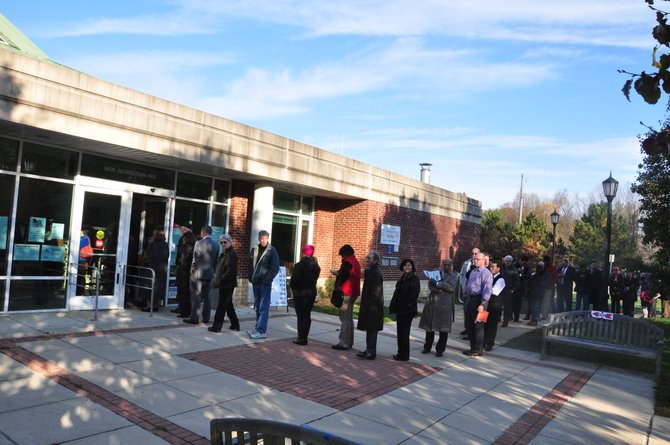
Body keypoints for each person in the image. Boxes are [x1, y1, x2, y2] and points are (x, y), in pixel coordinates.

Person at [419, 258, 458, 357]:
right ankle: (427, 347)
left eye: (448, 265)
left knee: (443, 328)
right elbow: (430, 285)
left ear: (451, 265)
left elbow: (451, 288)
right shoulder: (437, 272)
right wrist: (439, 288)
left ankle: (440, 350)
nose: (446, 266)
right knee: (429, 327)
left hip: (445, 303)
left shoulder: (454, 275)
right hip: (433, 301)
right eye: (444, 264)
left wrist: (438, 284)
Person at [247, 230, 280, 339]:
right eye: (261, 238)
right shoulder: (254, 249)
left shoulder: (272, 251)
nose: (263, 240)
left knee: (263, 307)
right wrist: (250, 276)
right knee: (257, 306)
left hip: (265, 284)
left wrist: (267, 279)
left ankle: (261, 331)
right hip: (256, 282)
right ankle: (257, 328)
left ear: (268, 238)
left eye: (265, 238)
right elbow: (250, 265)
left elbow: (275, 267)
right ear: (259, 238)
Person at [185, 225, 219, 325]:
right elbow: (216, 261)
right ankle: (206, 318)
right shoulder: (216, 244)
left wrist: (192, 271)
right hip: (210, 274)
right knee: (207, 297)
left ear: (203, 233)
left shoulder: (199, 243)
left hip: (198, 274)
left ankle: (194, 318)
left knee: (196, 296)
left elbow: (195, 259)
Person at [389, 258, 421, 361]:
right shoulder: (402, 278)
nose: (407, 267)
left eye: (409, 265)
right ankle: (400, 353)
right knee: (400, 332)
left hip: (408, 310)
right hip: (400, 310)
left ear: (412, 267)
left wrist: (406, 305)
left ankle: (404, 355)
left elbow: (414, 295)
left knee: (404, 333)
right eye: (406, 265)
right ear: (402, 267)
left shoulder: (414, 279)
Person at [331, 244, 361, 350]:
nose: (341, 257)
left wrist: (337, 273)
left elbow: (343, 277)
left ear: (346, 254)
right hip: (354, 293)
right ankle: (349, 342)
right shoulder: (355, 262)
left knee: (344, 319)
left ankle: (344, 343)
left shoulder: (347, 262)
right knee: (349, 318)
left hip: (346, 293)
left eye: (342, 255)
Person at [289, 244, 321, 345]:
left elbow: (295, 280)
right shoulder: (316, 267)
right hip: (310, 293)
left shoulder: (299, 265)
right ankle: (304, 337)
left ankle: (300, 337)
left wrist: (292, 287)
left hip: (300, 293)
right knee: (307, 315)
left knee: (300, 316)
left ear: (303, 253)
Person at [462, 252, 493, 356]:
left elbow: (487, 290)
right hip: (470, 300)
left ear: (484, 260)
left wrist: (483, 304)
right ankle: (472, 348)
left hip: (480, 301)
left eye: (477, 259)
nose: (475, 261)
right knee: (469, 325)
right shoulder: (473, 271)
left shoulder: (486, 273)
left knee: (479, 326)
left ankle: (479, 349)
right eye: (474, 259)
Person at [356, 250, 384, 360]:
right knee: (369, 329)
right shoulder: (370, 271)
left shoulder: (375, 273)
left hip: (374, 307)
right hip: (369, 305)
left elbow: (376, 292)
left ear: (375, 260)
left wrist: (369, 305)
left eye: (369, 258)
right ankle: (369, 350)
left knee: (372, 329)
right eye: (366, 258)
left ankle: (371, 351)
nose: (367, 260)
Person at [209, 233, 240, 333]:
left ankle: (216, 327)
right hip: (224, 283)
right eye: (221, 242)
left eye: (225, 242)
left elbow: (230, 271)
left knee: (221, 306)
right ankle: (235, 325)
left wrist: (222, 279)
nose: (223, 244)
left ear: (230, 242)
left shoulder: (232, 254)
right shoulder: (225, 253)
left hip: (227, 284)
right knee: (228, 305)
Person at [142, 229, 169, 312]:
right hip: (161, 269)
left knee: (149, 287)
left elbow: (148, 257)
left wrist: (143, 263)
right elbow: (167, 256)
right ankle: (156, 306)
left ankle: (149, 306)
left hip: (152, 268)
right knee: (158, 288)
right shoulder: (165, 244)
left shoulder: (152, 244)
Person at [484, 259, 506, 351]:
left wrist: (483, 289)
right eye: (490, 267)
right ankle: (482, 342)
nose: (491, 268)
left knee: (492, 325)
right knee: (483, 323)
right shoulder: (489, 277)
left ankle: (489, 344)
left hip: (494, 305)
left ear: (498, 268)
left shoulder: (500, 279)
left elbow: (494, 291)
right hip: (485, 304)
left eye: (493, 267)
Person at [172, 223, 193, 316]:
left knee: (183, 291)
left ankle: (183, 310)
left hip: (184, 272)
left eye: (182, 228)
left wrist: (177, 265)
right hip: (189, 272)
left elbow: (182, 259)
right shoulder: (194, 244)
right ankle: (183, 309)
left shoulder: (185, 247)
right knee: (186, 292)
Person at [459, 247, 481, 337]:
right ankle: (468, 329)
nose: (474, 255)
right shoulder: (467, 263)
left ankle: (477, 334)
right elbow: (462, 275)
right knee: (467, 312)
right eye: (472, 253)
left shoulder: (484, 270)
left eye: (476, 254)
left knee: (478, 317)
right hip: (468, 292)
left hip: (479, 297)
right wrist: (463, 286)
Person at [501, 255, 519, 327]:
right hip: (501, 289)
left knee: (507, 307)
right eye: (505, 261)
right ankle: (498, 319)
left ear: (511, 262)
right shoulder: (502, 268)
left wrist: (512, 290)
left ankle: (505, 322)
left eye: (508, 261)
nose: (507, 263)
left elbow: (517, 281)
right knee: (498, 305)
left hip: (508, 289)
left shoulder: (514, 269)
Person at [527, 261, 547, 326]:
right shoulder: (536, 275)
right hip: (535, 292)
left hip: (537, 293)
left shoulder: (541, 275)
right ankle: (533, 319)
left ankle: (535, 320)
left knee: (535, 307)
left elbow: (540, 284)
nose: (537, 269)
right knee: (533, 307)